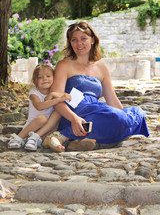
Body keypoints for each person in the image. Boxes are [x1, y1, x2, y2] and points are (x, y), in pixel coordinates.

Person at [44, 21, 149, 152]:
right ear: (70, 43)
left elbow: (112, 100)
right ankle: (62, 135)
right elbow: (56, 100)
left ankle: (74, 139)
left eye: (83, 39)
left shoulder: (101, 67)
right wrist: (73, 118)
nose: (79, 44)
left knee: (137, 113)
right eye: (74, 40)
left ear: (92, 40)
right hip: (74, 112)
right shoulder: (64, 65)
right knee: (116, 118)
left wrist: (123, 119)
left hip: (97, 112)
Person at [8, 63, 71, 152]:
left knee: (57, 114)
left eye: (48, 76)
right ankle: (19, 138)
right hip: (32, 127)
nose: (45, 79)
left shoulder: (54, 93)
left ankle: (36, 138)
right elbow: (39, 106)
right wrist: (57, 99)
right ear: (35, 81)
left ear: (54, 78)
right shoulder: (34, 93)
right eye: (40, 77)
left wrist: (53, 94)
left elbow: (67, 96)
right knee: (42, 118)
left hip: (45, 131)